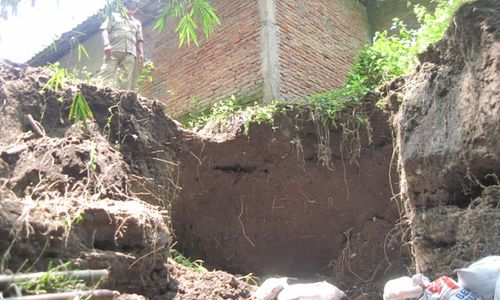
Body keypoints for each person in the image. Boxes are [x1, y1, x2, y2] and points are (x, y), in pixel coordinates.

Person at [97, 0, 144, 90]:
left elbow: (140, 40)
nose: (130, 10)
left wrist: (141, 53)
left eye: (133, 8)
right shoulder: (114, 16)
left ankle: (121, 97)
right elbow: (104, 30)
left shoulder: (137, 23)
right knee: (106, 72)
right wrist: (106, 44)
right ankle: (99, 91)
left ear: (136, 9)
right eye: (128, 8)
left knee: (125, 78)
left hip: (130, 53)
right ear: (123, 7)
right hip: (114, 50)